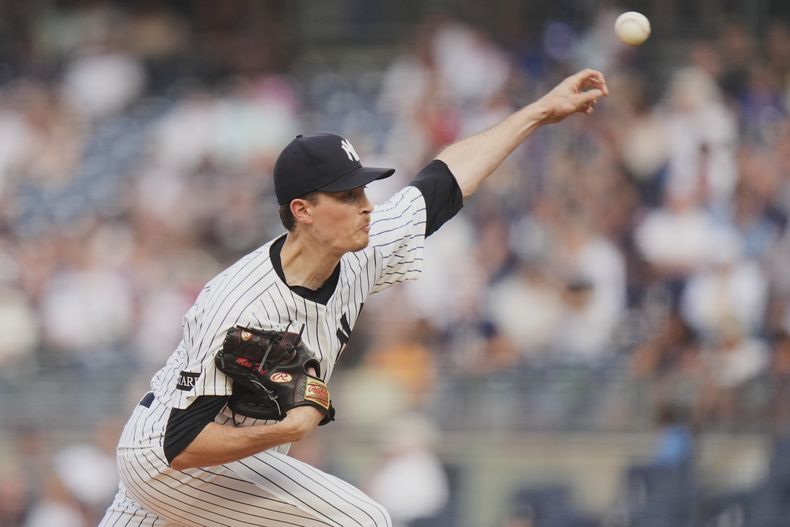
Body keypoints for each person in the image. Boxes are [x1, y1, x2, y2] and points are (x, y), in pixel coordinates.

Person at [99, 68, 608, 527]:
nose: (366, 207)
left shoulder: (364, 245)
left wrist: (540, 112)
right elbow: (181, 444)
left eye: (363, 191)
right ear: (303, 210)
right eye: (348, 197)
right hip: (167, 459)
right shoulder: (237, 304)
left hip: (213, 451)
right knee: (361, 522)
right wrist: (286, 431)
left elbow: (446, 179)